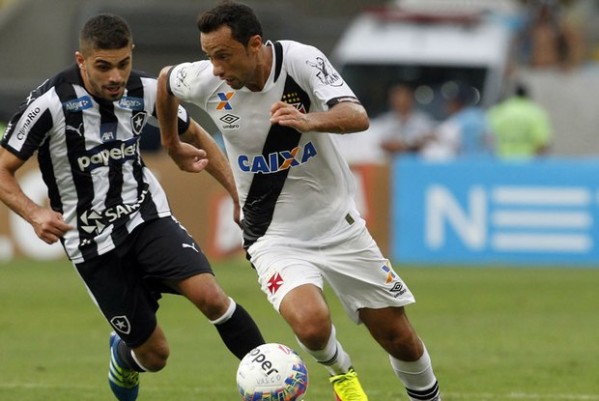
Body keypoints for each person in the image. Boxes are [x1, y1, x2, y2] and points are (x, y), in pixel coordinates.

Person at [156, 2, 442, 401]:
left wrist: (310, 120)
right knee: (311, 324)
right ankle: (342, 373)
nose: (216, 68)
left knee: (399, 338)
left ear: (254, 44)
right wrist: (171, 142)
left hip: (337, 225)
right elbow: (166, 82)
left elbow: (356, 115)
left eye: (223, 56)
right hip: (273, 234)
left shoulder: (301, 61)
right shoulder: (206, 80)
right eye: (209, 57)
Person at [0, 14, 265, 401]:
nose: (115, 76)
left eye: (122, 64)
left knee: (211, 297)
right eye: (103, 66)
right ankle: (123, 356)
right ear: (81, 60)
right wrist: (34, 213)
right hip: (92, 246)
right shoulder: (50, 104)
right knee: (155, 355)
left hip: (146, 218)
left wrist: (237, 194)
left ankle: (270, 376)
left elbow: (196, 134)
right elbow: (3, 170)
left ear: (131, 55)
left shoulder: (143, 89)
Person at [422, 82, 491, 160]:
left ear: (456, 102)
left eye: (448, 101)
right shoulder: (480, 115)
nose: (445, 105)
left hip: (466, 166)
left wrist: (426, 138)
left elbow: (440, 136)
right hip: (487, 164)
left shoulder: (457, 122)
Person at [487, 82, 552, 159]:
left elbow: (488, 138)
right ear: (527, 95)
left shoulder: (498, 111)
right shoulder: (536, 113)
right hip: (527, 164)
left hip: (502, 162)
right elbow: (542, 142)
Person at [377, 83, 436, 157]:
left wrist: (404, 145)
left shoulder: (423, 120)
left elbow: (429, 141)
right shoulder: (384, 121)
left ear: (410, 98)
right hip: (391, 163)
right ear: (391, 100)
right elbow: (382, 144)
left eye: (404, 97)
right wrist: (408, 145)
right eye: (397, 98)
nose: (401, 101)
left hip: (416, 162)